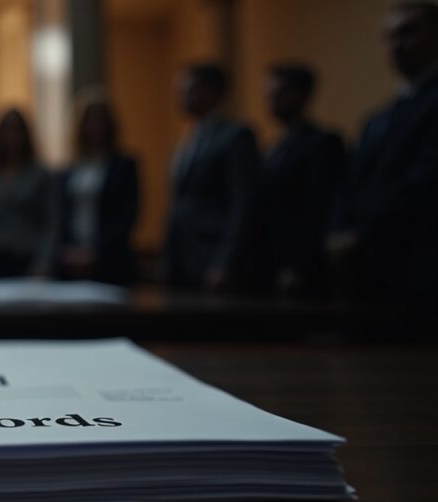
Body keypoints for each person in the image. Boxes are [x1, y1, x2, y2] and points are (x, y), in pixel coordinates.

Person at [334, 2, 438, 317]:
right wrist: (338, 230)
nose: (395, 44)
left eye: (407, 32)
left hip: (421, 266)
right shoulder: (379, 116)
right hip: (374, 270)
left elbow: (425, 180)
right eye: (389, 36)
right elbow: (351, 181)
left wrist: (359, 232)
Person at [165, 64, 260, 293]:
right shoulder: (188, 139)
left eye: (189, 90)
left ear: (211, 91)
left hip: (212, 257)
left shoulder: (235, 136)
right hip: (184, 260)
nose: (181, 97)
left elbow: (243, 203)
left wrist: (225, 262)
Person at [256, 64, 347, 298]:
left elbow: (319, 209)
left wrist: (299, 265)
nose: (270, 101)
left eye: (278, 93)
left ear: (302, 95)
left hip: (304, 264)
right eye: (268, 95)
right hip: (271, 262)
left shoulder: (322, 143)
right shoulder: (274, 148)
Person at [55, 98, 139, 286]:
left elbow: (127, 215)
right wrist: (68, 250)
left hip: (111, 260)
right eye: (89, 120)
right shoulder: (68, 170)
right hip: (70, 260)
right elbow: (61, 214)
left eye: (100, 120)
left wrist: (96, 252)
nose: (95, 126)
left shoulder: (124, 166)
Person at [0, 109, 57, 278]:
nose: (11, 136)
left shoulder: (40, 176)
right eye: (6, 130)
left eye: (16, 130)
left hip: (29, 257)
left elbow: (50, 224)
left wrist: (43, 264)